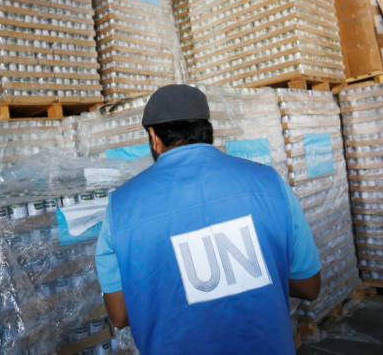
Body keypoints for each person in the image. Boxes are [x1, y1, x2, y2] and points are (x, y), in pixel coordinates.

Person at [95, 84, 321, 355]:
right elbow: (309, 286)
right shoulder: (270, 182)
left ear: (154, 137)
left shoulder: (120, 207)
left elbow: (119, 315)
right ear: (207, 130)